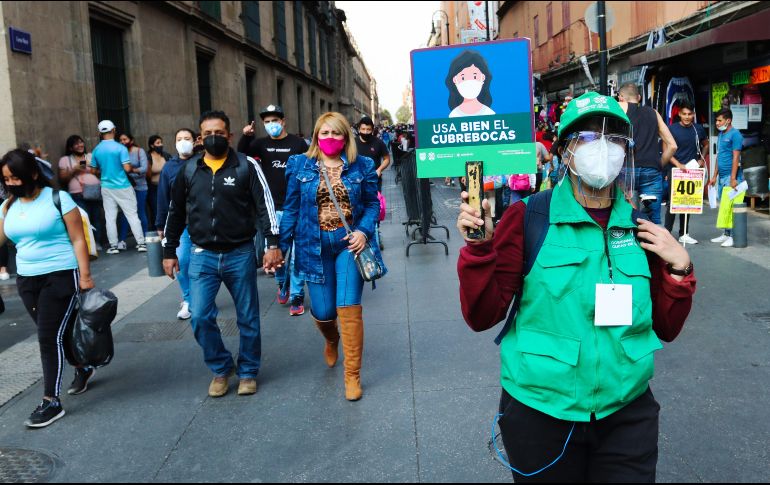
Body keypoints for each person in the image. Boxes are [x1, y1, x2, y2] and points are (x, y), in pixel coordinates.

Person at [457, 92, 696, 482]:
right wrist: (479, 248)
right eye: (587, 137)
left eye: (615, 138)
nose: (602, 147)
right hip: (541, 412)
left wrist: (680, 269)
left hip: (626, 412)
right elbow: (482, 315)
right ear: (567, 150)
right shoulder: (528, 216)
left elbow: (667, 327)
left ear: (627, 150)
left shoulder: (642, 229)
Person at [162, 110, 282, 398]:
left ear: (230, 136)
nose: (214, 138)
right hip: (202, 254)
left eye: (220, 133)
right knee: (200, 316)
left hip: (239, 253)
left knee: (247, 317)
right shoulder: (188, 171)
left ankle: (248, 371)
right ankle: (220, 367)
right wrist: (169, 250)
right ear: (201, 139)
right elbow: (175, 211)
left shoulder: (247, 166)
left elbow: (265, 206)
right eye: (208, 134)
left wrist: (272, 244)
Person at [280, 112, 386, 401]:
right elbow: (290, 208)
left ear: (345, 137)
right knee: (325, 312)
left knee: (349, 307)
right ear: (316, 136)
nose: (330, 139)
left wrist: (364, 231)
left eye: (336, 133)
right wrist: (278, 245)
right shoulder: (299, 164)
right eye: (324, 133)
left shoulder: (361, 165)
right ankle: (331, 339)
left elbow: (371, 205)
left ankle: (352, 375)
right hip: (312, 247)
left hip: (349, 245)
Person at [0, 149, 96, 428]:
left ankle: (51, 401)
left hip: (61, 274)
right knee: (58, 333)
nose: (10, 184)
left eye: (15, 178)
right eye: (6, 179)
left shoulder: (59, 199)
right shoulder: (7, 206)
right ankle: (83, 366)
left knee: (47, 336)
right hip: (27, 279)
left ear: (32, 174)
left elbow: (78, 240)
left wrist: (86, 276)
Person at [238, 104, 309, 316]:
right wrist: (246, 137)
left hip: (295, 208)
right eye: (267, 122)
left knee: (297, 255)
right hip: (271, 210)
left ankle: (297, 294)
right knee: (277, 252)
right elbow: (241, 157)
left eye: (275, 121)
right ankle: (282, 283)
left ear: (283, 121)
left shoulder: (297, 143)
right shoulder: (260, 144)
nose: (271, 125)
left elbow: (310, 166)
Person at [617, 83, 677, 224]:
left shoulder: (619, 108)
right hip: (651, 170)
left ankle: (630, 241)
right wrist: (658, 164)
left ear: (620, 98)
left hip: (625, 169)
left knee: (622, 214)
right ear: (639, 97)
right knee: (654, 220)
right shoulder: (653, 113)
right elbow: (672, 146)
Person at [156, 128, 197, 321]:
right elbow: (163, 198)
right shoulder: (169, 168)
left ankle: (201, 298)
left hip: (203, 222)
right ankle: (188, 299)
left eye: (187, 138)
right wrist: (160, 225)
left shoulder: (201, 161)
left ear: (195, 141)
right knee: (182, 261)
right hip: (180, 223)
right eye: (179, 139)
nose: (183, 142)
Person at [90, 120, 146, 254]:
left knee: (110, 217)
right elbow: (127, 168)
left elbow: (93, 171)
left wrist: (104, 171)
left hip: (106, 186)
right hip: (123, 186)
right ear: (114, 130)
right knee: (132, 214)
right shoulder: (120, 148)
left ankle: (113, 246)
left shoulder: (96, 150)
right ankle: (141, 243)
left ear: (99, 133)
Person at [665, 102, 707, 244]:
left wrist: (701, 158)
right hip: (676, 170)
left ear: (693, 115)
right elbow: (666, 150)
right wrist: (678, 164)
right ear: (679, 114)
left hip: (692, 171)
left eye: (690, 114)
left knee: (688, 202)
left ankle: (684, 233)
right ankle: (667, 233)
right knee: (673, 203)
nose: (687, 117)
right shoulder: (672, 129)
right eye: (684, 114)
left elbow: (706, 144)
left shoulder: (698, 129)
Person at [58, 135, 105, 250]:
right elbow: (62, 178)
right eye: (76, 144)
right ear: (70, 148)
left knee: (96, 218)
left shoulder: (91, 156)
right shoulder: (65, 160)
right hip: (77, 194)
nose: (80, 145)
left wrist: (92, 168)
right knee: (84, 219)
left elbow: (101, 172)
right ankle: (87, 245)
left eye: (81, 142)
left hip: (94, 192)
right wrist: (75, 169)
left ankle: (97, 242)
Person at [709, 108, 744, 248]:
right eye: (716, 120)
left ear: (728, 120)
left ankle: (733, 236)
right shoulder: (721, 134)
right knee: (724, 206)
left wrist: (733, 178)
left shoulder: (736, 135)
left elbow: (736, 157)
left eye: (719, 120)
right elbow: (719, 156)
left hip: (731, 176)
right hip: (722, 176)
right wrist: (714, 176)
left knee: (731, 208)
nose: (717, 123)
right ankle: (726, 234)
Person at [116, 133, 149, 246]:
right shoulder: (120, 153)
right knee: (125, 213)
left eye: (125, 139)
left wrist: (130, 170)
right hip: (125, 186)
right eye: (120, 140)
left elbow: (144, 168)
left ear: (131, 139)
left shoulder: (139, 151)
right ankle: (122, 240)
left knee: (140, 211)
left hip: (140, 186)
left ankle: (145, 238)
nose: (123, 142)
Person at [446, 50, 495, 117]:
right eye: (463, 77)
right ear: (455, 80)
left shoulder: (489, 114)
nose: (469, 82)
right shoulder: (453, 115)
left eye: (475, 76)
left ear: (483, 77)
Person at [146, 135, 170, 233]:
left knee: (169, 208)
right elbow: (148, 174)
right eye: (158, 143)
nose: (160, 145)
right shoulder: (148, 156)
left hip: (166, 187)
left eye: (161, 142)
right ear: (152, 145)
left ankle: (168, 230)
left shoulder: (166, 155)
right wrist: (161, 170)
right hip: (153, 187)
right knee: (156, 210)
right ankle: (158, 232)